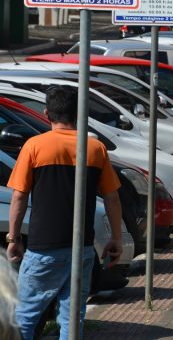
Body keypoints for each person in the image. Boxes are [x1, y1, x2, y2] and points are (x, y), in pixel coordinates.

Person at [6, 86, 123, 340]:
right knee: (72, 317)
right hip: (81, 248)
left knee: (26, 316)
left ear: (47, 113)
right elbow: (112, 197)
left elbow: (19, 196)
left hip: (42, 248)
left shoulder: (34, 146)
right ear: (78, 114)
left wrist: (13, 239)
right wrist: (116, 237)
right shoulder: (94, 148)